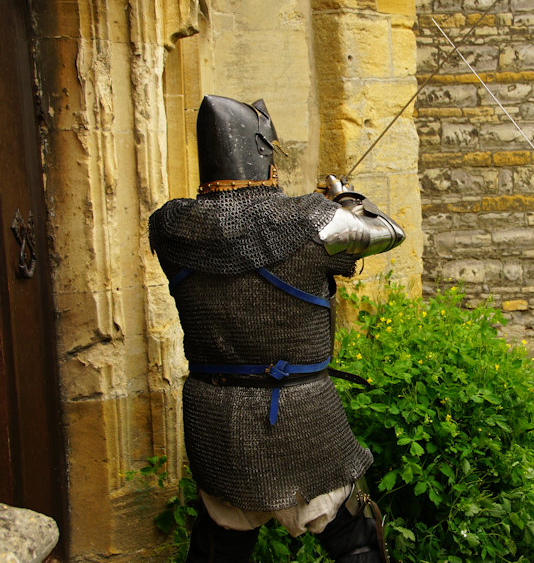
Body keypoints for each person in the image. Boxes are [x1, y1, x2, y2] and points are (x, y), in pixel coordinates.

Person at [149, 95, 405, 563]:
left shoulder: (171, 227)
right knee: (357, 543)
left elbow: (236, 235)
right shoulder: (308, 220)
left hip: (217, 417)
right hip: (300, 415)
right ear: (263, 155)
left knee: (217, 549)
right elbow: (389, 231)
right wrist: (343, 199)